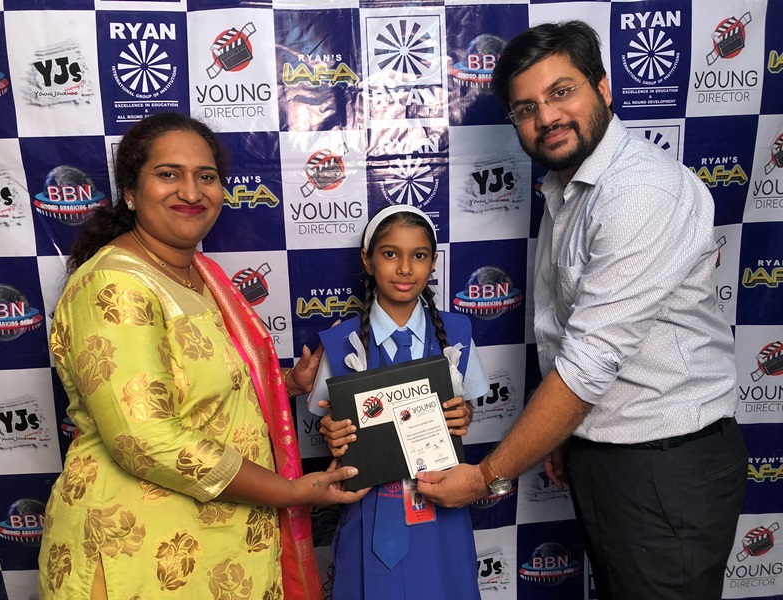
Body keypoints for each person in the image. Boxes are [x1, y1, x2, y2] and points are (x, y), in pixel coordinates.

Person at [415, 20, 748, 600]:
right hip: (611, 451)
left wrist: (486, 476)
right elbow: (576, 340)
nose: (546, 117)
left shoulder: (638, 192)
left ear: (603, 88)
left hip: (666, 463)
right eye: (526, 108)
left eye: (561, 91)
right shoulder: (567, 188)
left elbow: (589, 362)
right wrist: (568, 436)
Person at [38, 112, 366, 600]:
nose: (191, 192)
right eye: (168, 174)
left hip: (223, 545)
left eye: (205, 176)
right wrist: (292, 492)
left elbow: (197, 385)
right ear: (130, 191)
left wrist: (287, 383)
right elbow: (144, 438)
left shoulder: (198, 274)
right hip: (139, 550)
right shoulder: (115, 284)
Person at [307, 205, 490, 599]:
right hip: (369, 511)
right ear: (367, 260)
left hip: (441, 504)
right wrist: (331, 431)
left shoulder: (457, 333)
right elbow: (326, 420)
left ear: (433, 262)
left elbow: (468, 407)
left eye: (418, 255)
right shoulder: (340, 343)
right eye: (390, 254)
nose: (405, 268)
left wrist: (464, 414)